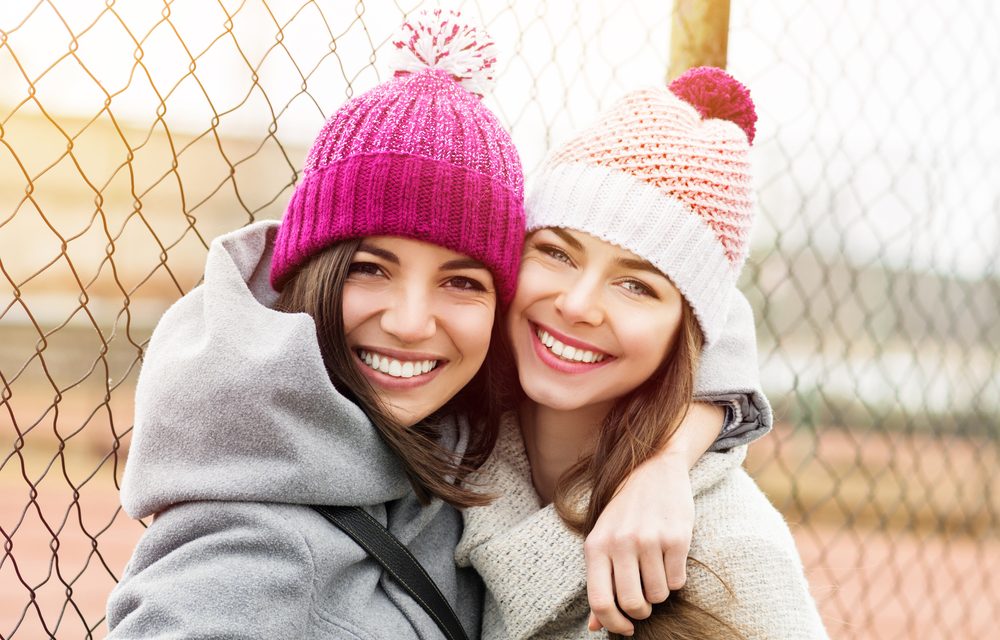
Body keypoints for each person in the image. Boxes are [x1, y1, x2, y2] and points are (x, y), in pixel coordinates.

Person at [105, 11, 769, 637]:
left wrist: (666, 462)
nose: (411, 322)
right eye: (370, 267)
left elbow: (705, 301)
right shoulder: (253, 540)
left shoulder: (472, 416)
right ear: (307, 269)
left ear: (501, 300)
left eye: (460, 281)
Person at [456, 67, 828, 639]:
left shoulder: (731, 546)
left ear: (690, 334)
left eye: (636, 286)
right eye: (557, 252)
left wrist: (667, 458)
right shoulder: (450, 446)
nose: (578, 305)